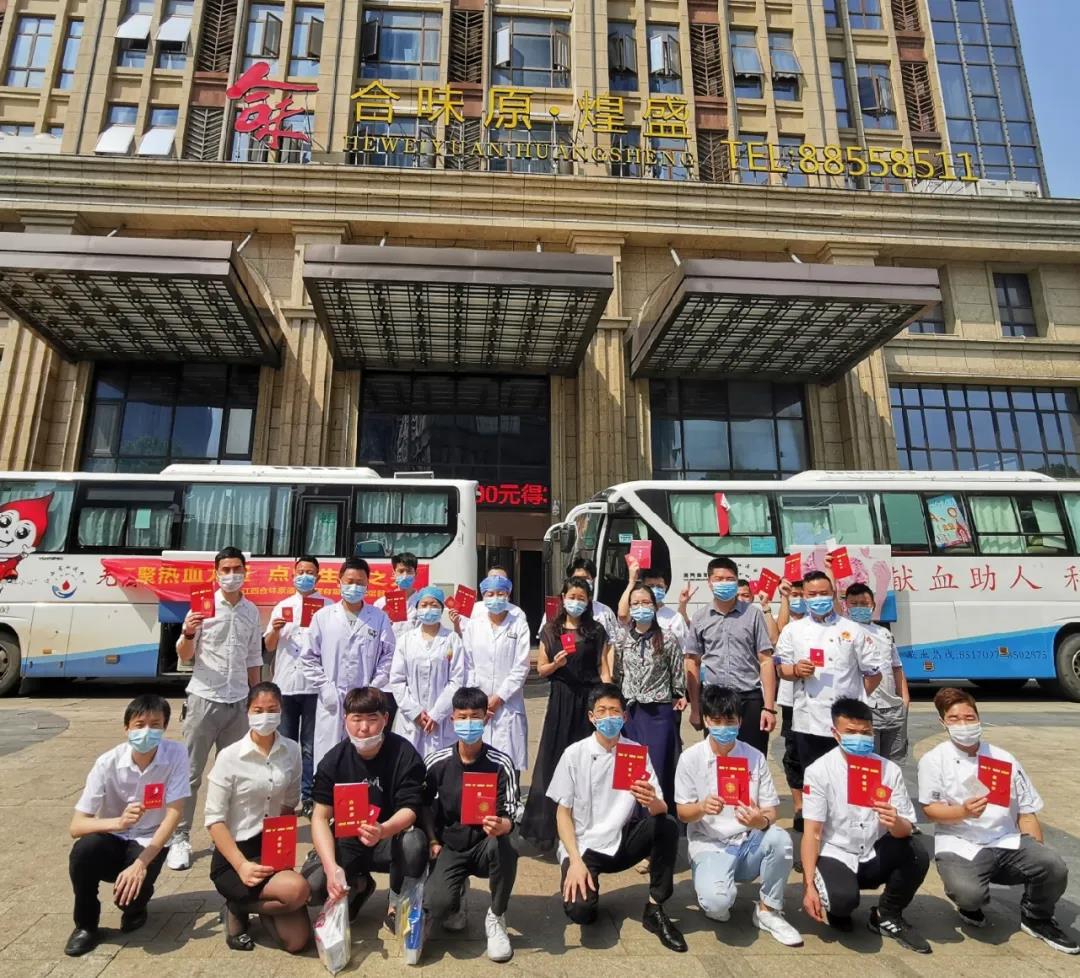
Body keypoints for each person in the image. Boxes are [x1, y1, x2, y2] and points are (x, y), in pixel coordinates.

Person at [918, 687, 1077, 954]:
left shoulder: (1003, 758)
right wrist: (963, 812)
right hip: (960, 842)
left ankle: (1036, 916)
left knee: (1053, 866)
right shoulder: (934, 760)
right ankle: (969, 905)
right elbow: (930, 810)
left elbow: (1026, 811)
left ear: (978, 718)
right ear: (943, 722)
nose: (963, 725)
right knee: (969, 894)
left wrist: (1037, 855)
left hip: (1005, 839)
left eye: (969, 717)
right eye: (954, 719)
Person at [548, 683, 687, 953]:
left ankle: (655, 907)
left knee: (667, 826)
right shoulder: (575, 754)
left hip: (622, 840)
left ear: (624, 717)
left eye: (614, 711)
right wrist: (574, 861)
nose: (608, 717)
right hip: (584, 846)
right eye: (602, 711)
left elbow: (660, 810)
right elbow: (562, 813)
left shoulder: (635, 752)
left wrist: (651, 799)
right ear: (591, 717)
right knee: (581, 912)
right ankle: (586, 886)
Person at [674, 685, 802, 947]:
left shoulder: (754, 757)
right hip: (710, 844)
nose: (724, 727)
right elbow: (682, 813)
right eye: (717, 721)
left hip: (747, 842)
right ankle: (716, 886)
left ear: (740, 722)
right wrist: (702, 807)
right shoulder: (690, 759)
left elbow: (771, 811)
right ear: (706, 721)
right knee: (718, 904)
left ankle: (768, 909)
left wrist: (759, 821)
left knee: (780, 839)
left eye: (730, 721)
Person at [801, 698, 931, 954]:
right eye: (851, 732)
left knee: (916, 852)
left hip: (874, 850)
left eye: (865, 732)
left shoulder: (888, 770)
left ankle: (888, 914)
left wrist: (895, 821)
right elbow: (812, 833)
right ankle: (838, 901)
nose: (859, 738)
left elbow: (906, 829)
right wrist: (808, 886)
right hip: (836, 851)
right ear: (835, 733)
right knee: (842, 903)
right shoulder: (819, 771)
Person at [65, 694, 190, 956]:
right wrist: (118, 822)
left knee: (131, 897)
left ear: (165, 727)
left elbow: (174, 814)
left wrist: (140, 864)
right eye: (139, 724)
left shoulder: (176, 754)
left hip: (150, 840)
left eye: (155, 725)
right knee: (83, 851)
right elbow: (76, 826)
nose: (147, 731)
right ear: (126, 728)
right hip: (113, 836)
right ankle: (86, 925)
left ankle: (135, 908)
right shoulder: (107, 763)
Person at [304, 686, 428, 933]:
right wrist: (330, 867)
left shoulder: (404, 753)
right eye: (356, 719)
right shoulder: (333, 760)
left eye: (372, 719)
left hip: (389, 838)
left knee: (414, 842)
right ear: (345, 720)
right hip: (348, 840)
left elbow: (411, 807)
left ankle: (397, 901)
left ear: (385, 719)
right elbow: (320, 817)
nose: (363, 728)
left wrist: (384, 829)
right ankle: (358, 884)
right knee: (312, 886)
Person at [171, 546, 264, 870]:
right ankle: (180, 837)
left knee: (233, 774)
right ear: (216, 573)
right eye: (225, 570)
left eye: (237, 569)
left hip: (238, 701)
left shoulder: (251, 611)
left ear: (245, 572)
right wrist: (188, 632)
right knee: (190, 773)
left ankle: (224, 837)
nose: (231, 575)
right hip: (203, 699)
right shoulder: (201, 607)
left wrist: (256, 698)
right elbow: (184, 655)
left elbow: (253, 657)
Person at [205, 682, 310, 953]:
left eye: (272, 709)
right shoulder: (229, 756)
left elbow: (289, 804)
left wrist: (282, 852)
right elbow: (214, 820)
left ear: (281, 711)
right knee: (297, 890)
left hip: (271, 851)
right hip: (235, 856)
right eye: (258, 710)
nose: (265, 716)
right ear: (248, 712)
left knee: (297, 941)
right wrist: (241, 865)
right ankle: (237, 903)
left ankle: (244, 905)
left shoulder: (291, 750)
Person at [423, 686, 523, 962]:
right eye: (463, 717)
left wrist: (503, 825)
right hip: (450, 847)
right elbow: (423, 806)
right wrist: (433, 840)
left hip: (485, 844)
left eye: (475, 717)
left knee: (508, 841)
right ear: (452, 720)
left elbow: (513, 811)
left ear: (486, 719)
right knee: (437, 904)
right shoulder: (437, 762)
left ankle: (496, 916)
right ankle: (455, 896)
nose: (469, 723)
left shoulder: (500, 763)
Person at [520, 577, 608, 849]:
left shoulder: (596, 630)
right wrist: (556, 665)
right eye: (572, 596)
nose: (576, 602)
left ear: (588, 601)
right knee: (555, 760)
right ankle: (550, 827)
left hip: (588, 700)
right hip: (561, 700)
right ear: (562, 597)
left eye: (581, 598)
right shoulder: (551, 630)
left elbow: (603, 667)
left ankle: (588, 827)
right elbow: (541, 669)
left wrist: (608, 699)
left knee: (589, 762)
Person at [775, 570, 882, 777]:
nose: (818, 598)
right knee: (814, 778)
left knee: (850, 777)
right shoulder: (793, 630)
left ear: (833, 593)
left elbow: (874, 673)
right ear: (804, 596)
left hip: (848, 723)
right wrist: (796, 670)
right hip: (808, 721)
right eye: (812, 594)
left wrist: (856, 700)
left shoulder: (853, 629)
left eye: (823, 593)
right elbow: (782, 669)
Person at [301, 557, 396, 768]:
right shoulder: (323, 617)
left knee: (364, 754)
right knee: (329, 758)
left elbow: (389, 656)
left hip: (365, 700)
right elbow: (308, 657)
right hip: (332, 699)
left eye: (360, 583)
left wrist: (374, 688)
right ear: (339, 582)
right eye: (350, 581)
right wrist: (325, 687)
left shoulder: (378, 618)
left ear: (368, 585)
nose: (354, 587)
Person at [683, 556, 777, 753]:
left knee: (753, 757)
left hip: (749, 699)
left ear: (736, 581)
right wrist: (696, 709)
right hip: (714, 700)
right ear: (709, 582)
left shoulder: (753, 614)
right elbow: (692, 662)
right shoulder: (700, 617)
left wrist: (769, 708)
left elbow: (766, 661)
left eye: (729, 579)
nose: (724, 583)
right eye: (718, 579)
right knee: (718, 758)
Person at [607, 583, 685, 808]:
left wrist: (677, 697)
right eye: (636, 603)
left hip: (659, 712)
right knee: (631, 767)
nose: (641, 607)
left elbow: (677, 674)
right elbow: (617, 673)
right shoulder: (622, 639)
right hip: (631, 712)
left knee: (658, 765)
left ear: (654, 606)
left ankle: (660, 812)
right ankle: (631, 814)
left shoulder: (667, 638)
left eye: (646, 602)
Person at [264, 555, 331, 818]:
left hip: (314, 687)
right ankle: (285, 798)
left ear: (318, 576)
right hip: (286, 685)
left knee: (311, 745)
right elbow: (269, 646)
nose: (304, 576)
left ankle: (309, 795)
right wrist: (274, 631)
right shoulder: (283, 606)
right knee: (286, 743)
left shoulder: (328, 607)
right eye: (300, 571)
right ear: (293, 575)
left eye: (310, 572)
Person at [461, 571, 532, 771]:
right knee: (478, 762)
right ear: (483, 596)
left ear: (508, 595)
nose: (495, 598)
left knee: (508, 763)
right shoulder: (474, 626)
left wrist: (499, 697)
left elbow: (521, 666)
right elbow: (468, 664)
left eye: (501, 593)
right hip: (479, 703)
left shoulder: (519, 625)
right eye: (490, 594)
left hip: (508, 704)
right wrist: (479, 699)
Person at [388, 586, 468, 758]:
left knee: (440, 764)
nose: (428, 609)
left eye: (434, 605)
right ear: (417, 609)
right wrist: (415, 712)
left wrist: (437, 714)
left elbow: (457, 680)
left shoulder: (452, 639)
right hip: (410, 720)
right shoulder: (406, 640)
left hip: (442, 719)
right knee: (409, 763)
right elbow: (397, 680)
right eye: (424, 605)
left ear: (441, 609)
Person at [844, 582, 910, 762]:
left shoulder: (884, 633)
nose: (859, 607)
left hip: (893, 708)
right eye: (854, 603)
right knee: (867, 762)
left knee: (894, 763)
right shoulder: (844, 632)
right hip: (865, 708)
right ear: (846, 605)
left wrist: (904, 700)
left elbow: (896, 666)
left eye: (864, 603)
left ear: (873, 605)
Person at [775, 578, 806, 832]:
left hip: (820, 701)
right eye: (794, 594)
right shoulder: (786, 624)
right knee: (794, 754)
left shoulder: (822, 623)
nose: (799, 599)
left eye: (801, 594)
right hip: (790, 700)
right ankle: (799, 807)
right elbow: (779, 631)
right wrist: (784, 597)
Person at [617, 557, 689, 651]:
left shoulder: (675, 618)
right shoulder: (637, 612)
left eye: (659, 586)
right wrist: (631, 582)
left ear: (665, 587)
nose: (655, 590)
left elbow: (685, 649)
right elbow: (622, 615)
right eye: (650, 586)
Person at [375, 551, 423, 635]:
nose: (405, 575)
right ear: (394, 574)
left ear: (415, 574)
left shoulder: (423, 603)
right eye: (401, 571)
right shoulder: (381, 603)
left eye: (409, 571)